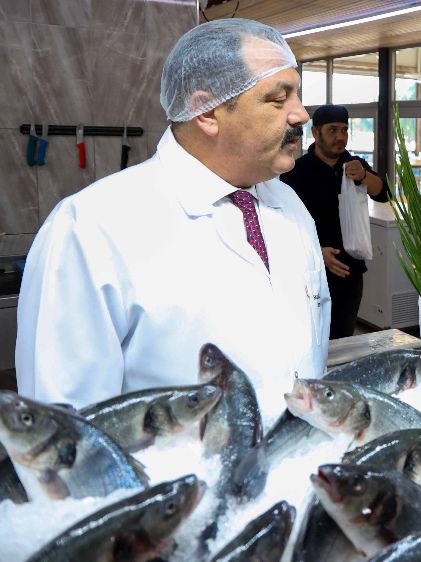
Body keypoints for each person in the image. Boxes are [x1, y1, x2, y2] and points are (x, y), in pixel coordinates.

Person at [15, 19, 330, 414]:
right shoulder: (92, 227)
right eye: (278, 98)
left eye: (297, 94)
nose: (301, 114)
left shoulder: (289, 205)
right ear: (207, 112)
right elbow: (63, 428)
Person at [281, 105, 389, 339]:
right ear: (316, 132)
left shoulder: (354, 164)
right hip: (310, 268)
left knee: (342, 337)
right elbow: (284, 223)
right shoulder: (296, 171)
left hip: (349, 271)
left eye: (344, 130)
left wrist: (363, 176)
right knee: (311, 337)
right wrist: (317, 253)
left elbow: (383, 193)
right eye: (332, 130)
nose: (340, 137)